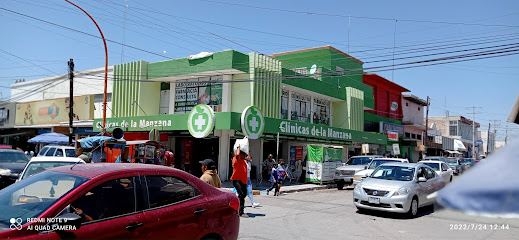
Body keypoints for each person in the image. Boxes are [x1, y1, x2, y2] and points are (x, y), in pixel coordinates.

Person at [231, 145, 249, 218]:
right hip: (237, 180)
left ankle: (235, 207)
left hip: (243, 181)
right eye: (244, 154)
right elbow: (237, 154)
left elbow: (249, 157)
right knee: (241, 195)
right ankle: (241, 212)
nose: (245, 156)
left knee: (244, 195)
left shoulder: (243, 161)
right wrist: (238, 147)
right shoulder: (236, 159)